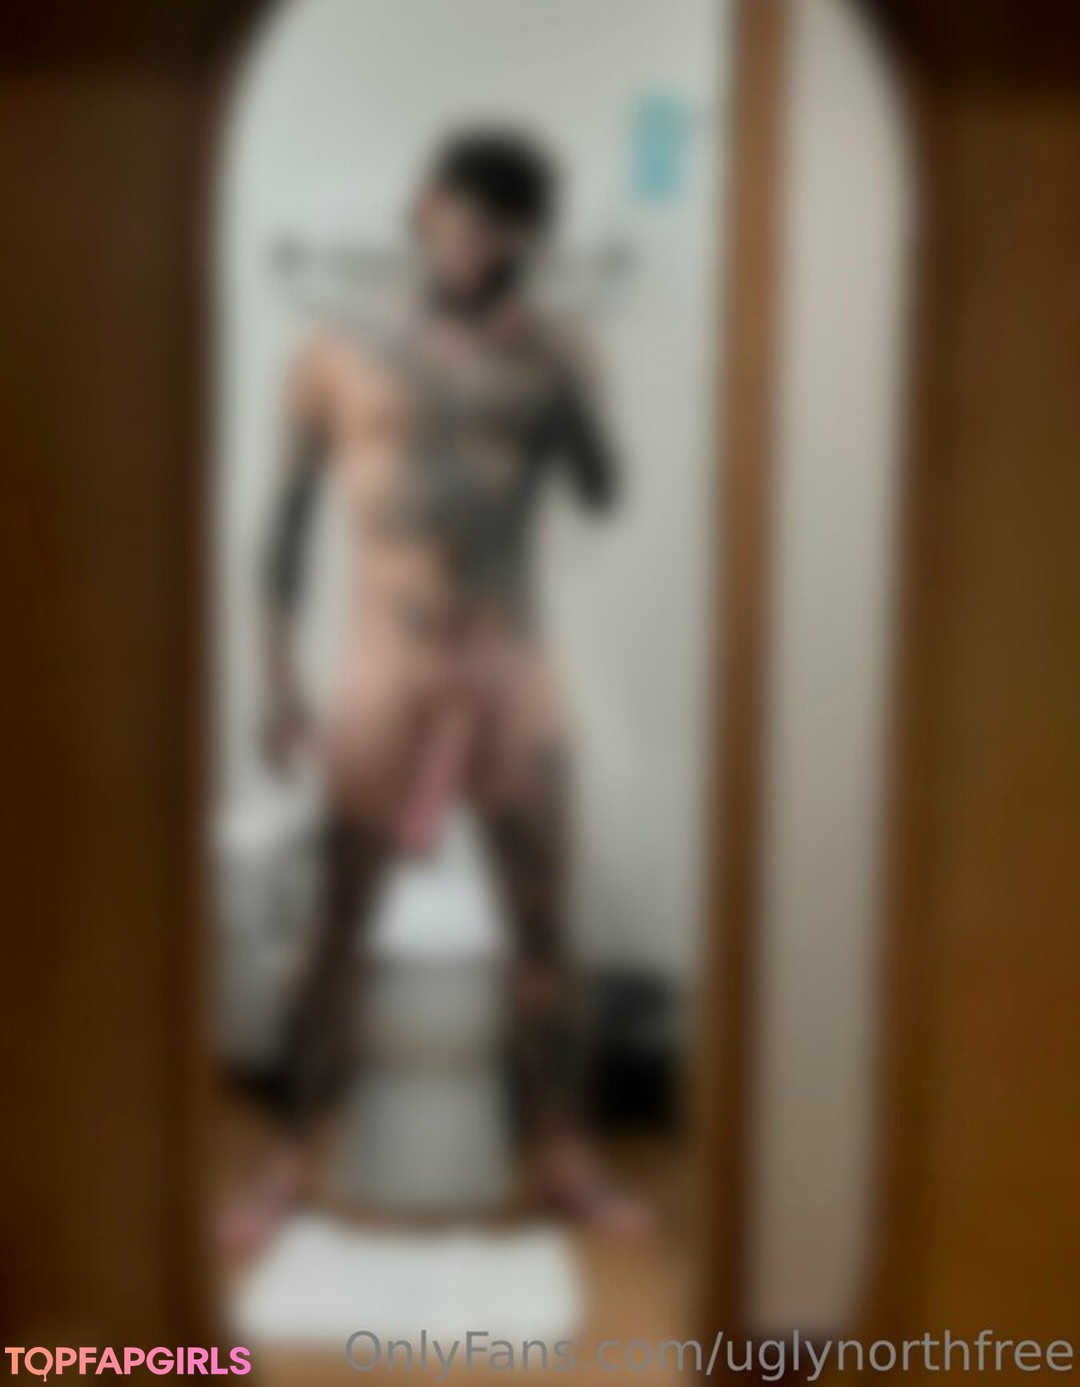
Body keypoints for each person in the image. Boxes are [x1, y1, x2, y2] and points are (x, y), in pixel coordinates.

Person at [224, 129, 647, 1250]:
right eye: (468, 216)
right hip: (386, 656)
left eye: (507, 228)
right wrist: (277, 681)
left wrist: (562, 377)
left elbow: (602, 493)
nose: (482, 243)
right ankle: (292, 1160)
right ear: (426, 212)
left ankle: (564, 1157)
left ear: (527, 240)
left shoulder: (554, 350)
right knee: (337, 921)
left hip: (508, 660)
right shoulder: (339, 350)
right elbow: (285, 523)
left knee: (542, 922)